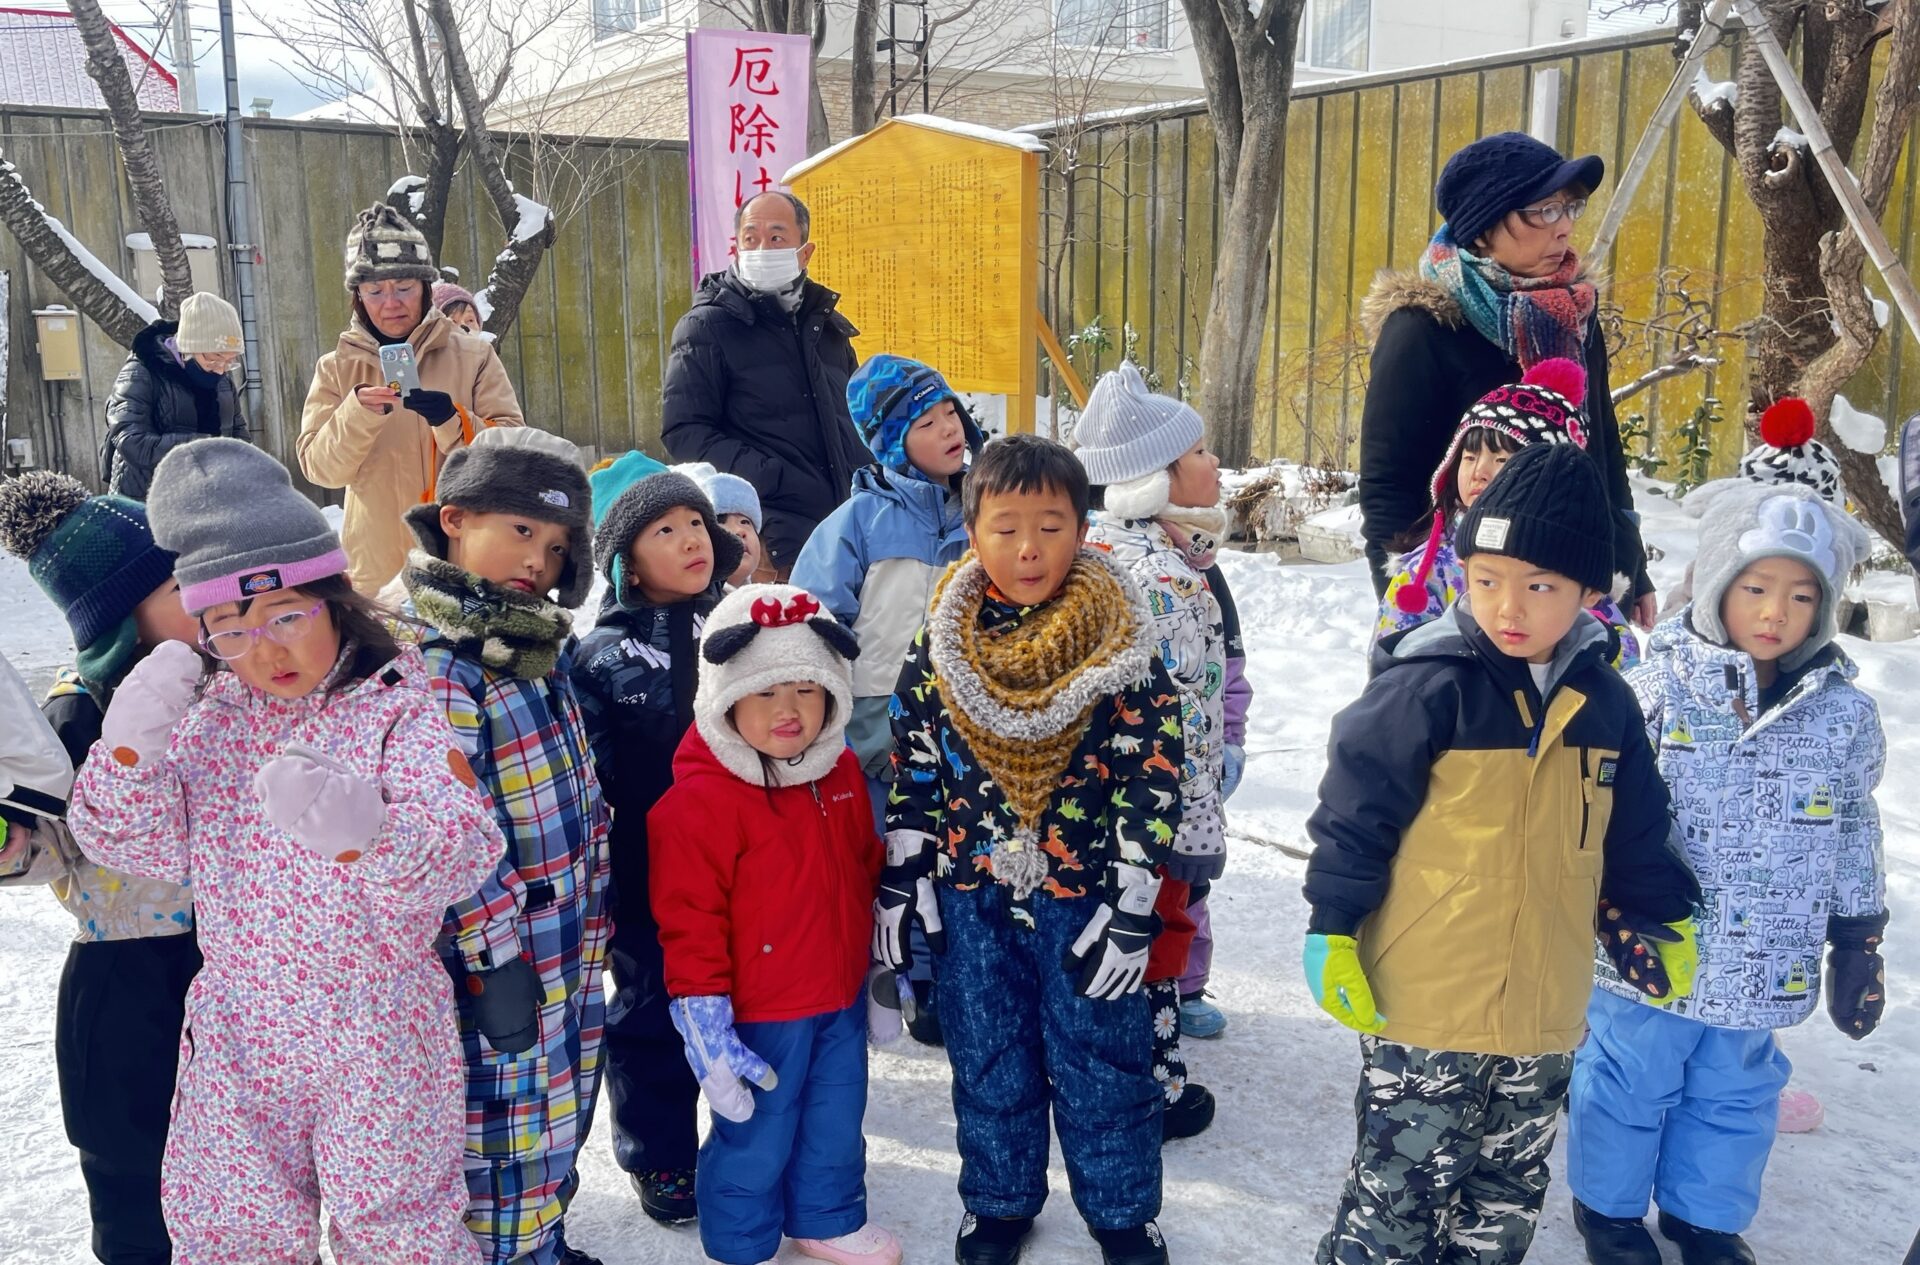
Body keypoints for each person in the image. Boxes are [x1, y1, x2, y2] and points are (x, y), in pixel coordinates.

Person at [65, 438, 506, 1264]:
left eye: (283, 616)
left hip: (378, 1025)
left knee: (399, 1226)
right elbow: (136, 844)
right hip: (242, 1027)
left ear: (331, 595)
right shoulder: (214, 716)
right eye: (229, 629)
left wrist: (373, 833)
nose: (262, 650)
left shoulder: (395, 704)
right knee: (234, 1227)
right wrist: (129, 754)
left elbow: (464, 844)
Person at [1302, 442, 1701, 1265]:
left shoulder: (1606, 702)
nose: (1507, 605)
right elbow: (1355, 812)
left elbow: (1635, 828)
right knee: (1397, 1201)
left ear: (1592, 593)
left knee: (1503, 1200)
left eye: (1539, 585)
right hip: (1424, 1004)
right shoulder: (1430, 684)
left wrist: (1660, 913)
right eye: (1486, 578)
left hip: (1543, 1012)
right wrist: (1333, 925)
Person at [876, 434, 1185, 1265]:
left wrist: (1132, 899)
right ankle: (1001, 1199)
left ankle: (1122, 1209)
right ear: (970, 529)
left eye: (1050, 525)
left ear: (1083, 529)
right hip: (975, 892)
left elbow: (1153, 765)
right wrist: (904, 870)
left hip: (1085, 897)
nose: (1028, 547)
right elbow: (914, 757)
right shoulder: (942, 640)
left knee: (1104, 1059)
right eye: (1006, 524)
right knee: (988, 1052)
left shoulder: (1121, 638)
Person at [1567, 481, 1885, 1265]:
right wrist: (1596, 901)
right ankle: (1607, 1209)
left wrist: (1857, 939)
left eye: (1801, 594)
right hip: (1651, 948)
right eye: (1756, 587)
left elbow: (1854, 830)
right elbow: (1592, 808)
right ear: (1715, 585)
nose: (1776, 611)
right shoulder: (1654, 690)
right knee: (1627, 1079)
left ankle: (1703, 1216)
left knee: (1736, 1094)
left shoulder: (1842, 714)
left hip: (1762, 964)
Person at [398, 427, 613, 1265]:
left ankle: (542, 1236)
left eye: (558, 545)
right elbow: (452, 823)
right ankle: (504, 1253)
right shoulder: (443, 662)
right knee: (504, 1118)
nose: (540, 559)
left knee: (559, 1102)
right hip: (498, 956)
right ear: (454, 519)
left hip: (566, 938)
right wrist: (493, 951)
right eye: (521, 530)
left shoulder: (529, 644)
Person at [648, 583, 903, 1265]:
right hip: (762, 1009)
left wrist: (878, 966)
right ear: (727, 694)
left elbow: (862, 871)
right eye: (766, 691)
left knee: (835, 1119)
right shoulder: (699, 802)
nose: (788, 710)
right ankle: (741, 1238)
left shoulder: (841, 771)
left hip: (838, 994)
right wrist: (703, 1014)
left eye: (806, 688)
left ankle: (827, 1215)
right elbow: (689, 919)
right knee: (758, 1128)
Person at [0, 472, 201, 1265]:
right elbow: (44, 842)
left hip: (226, 966)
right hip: (123, 980)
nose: (209, 595)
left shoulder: (225, 685)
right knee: (131, 1170)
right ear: (122, 611)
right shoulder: (79, 712)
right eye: (183, 582)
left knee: (241, 1157)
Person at [1358, 131, 1653, 627]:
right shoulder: (1423, 327)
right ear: (1481, 228)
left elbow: (1599, 444)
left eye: (1568, 208)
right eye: (1543, 211)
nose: (1562, 229)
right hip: (1469, 588)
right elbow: (1390, 485)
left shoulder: (1572, 312)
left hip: (1571, 573)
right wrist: (1408, 617)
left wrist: (1631, 563)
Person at [790, 353, 983, 1047]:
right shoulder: (858, 522)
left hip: (969, 721)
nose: (949, 428)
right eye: (927, 422)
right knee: (891, 854)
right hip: (877, 727)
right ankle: (903, 973)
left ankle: (950, 976)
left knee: (956, 852)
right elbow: (818, 623)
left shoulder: (984, 508)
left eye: (951, 413)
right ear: (893, 440)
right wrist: (837, 718)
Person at [574, 471, 746, 1225]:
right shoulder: (601, 655)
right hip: (646, 865)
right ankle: (661, 1156)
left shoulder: (744, 625)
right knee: (651, 1009)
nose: (690, 541)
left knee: (749, 998)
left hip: (742, 860)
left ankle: (753, 1143)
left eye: (697, 525)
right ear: (626, 563)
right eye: (665, 530)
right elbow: (591, 768)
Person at [1073, 362, 1232, 1128]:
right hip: (1152, 808)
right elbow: (1184, 718)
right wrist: (1198, 819)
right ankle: (1150, 1089)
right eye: (1198, 451)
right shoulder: (1164, 580)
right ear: (1154, 477)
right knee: (1153, 937)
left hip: (1092, 806)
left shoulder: (1097, 553)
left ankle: (1101, 1078)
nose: (1215, 463)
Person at [298, 204, 523, 595]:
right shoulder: (336, 368)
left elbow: (514, 452)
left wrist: (454, 421)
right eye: (374, 291)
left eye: (404, 288)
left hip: (465, 565)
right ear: (358, 296)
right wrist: (357, 414)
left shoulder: (473, 356)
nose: (391, 303)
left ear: (425, 288)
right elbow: (320, 470)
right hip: (377, 574)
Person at [1376, 357, 1640, 667]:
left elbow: (1622, 655)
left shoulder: (1572, 560)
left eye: (1502, 460)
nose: (1480, 472)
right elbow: (1394, 668)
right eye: (1470, 457)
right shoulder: (1430, 571)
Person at [661, 190, 867, 579]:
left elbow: (855, 418)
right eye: (750, 237)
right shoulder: (707, 325)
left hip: (848, 531)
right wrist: (771, 478)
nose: (761, 247)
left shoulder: (828, 328)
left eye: (776, 237)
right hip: (772, 540)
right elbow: (684, 431)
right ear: (736, 247)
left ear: (805, 252)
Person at [100, 291, 250, 499]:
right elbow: (131, 441)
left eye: (229, 361)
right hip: (146, 501)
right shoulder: (141, 372)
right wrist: (201, 448)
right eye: (215, 358)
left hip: (206, 499)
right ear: (189, 346)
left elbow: (238, 430)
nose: (220, 369)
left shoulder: (222, 378)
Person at [679, 461, 766, 589]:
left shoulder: (767, 599)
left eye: (745, 522)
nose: (739, 530)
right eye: (720, 521)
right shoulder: (690, 604)